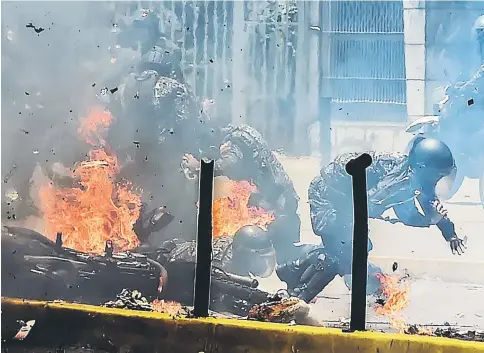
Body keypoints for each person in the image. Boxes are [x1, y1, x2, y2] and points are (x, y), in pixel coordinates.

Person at [276, 137, 467, 303]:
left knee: (353, 250)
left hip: (348, 201)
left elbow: (424, 206)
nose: (440, 180)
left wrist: (447, 231)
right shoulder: (398, 182)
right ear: (424, 169)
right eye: (439, 175)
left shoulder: (415, 175)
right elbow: (366, 207)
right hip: (328, 197)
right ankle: (299, 297)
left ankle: (290, 269)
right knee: (346, 251)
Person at [183, 124, 301, 263]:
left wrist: (198, 166)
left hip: (277, 200)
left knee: (281, 255)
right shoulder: (241, 133)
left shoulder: (235, 142)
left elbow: (229, 163)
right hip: (277, 195)